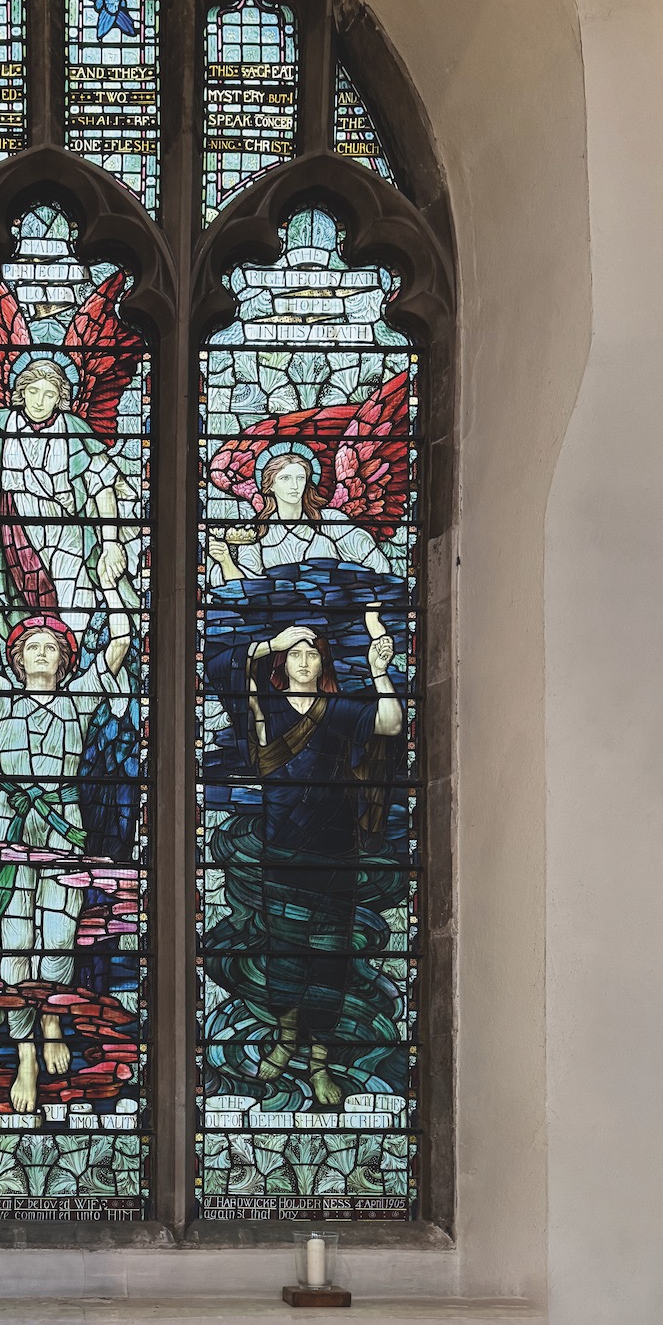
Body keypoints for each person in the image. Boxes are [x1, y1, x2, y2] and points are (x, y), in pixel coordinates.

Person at [0, 548, 134, 1113]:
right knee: (14, 941)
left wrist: (114, 582)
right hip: (9, 827)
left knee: (57, 935)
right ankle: (25, 1053)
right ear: (16, 657)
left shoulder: (81, 700)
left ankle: (53, 1022)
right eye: (30, 645)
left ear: (64, 661)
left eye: (51, 647)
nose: (40, 653)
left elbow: (121, 644)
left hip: (64, 827)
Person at [202, 605, 403, 1105]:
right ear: (281, 664)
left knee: (330, 965)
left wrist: (380, 672)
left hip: (335, 855)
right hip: (281, 852)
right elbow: (216, 663)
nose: (305, 659)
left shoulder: (336, 711)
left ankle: (318, 1063)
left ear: (323, 664)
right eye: (296, 651)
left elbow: (392, 723)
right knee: (284, 958)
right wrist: (271, 639)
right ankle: (285, 1040)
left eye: (313, 651)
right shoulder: (264, 708)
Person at [0, 355, 133, 642]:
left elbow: (102, 486)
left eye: (49, 394)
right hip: (15, 523)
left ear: (60, 398)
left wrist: (110, 543)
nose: (38, 401)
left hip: (67, 528)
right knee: (22, 604)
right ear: (21, 391)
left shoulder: (74, 429)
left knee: (75, 601)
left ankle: (74, 673)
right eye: (33, 392)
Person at [207, 446, 386, 585]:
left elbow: (378, 566)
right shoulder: (258, 532)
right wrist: (226, 561)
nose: (294, 486)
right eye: (285, 478)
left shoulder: (332, 522)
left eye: (300, 478)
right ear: (270, 485)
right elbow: (243, 588)